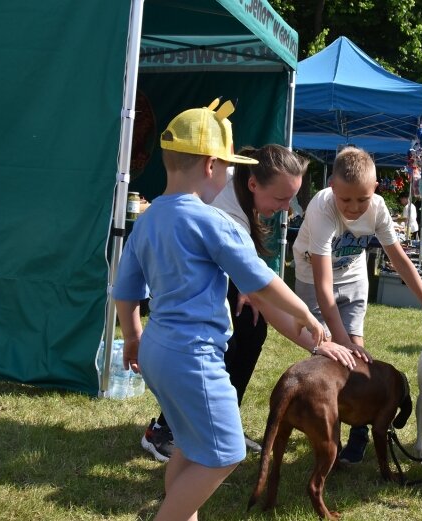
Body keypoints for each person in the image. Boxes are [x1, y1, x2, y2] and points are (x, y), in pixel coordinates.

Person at [112, 99, 347, 520]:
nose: (231, 176)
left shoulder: (146, 219)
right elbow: (263, 281)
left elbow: (126, 289)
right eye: (228, 168)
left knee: (190, 445)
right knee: (225, 453)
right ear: (210, 167)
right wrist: (309, 317)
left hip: (157, 352)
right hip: (194, 356)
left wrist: (132, 336)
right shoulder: (212, 222)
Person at [141, 145, 358, 462]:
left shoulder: (245, 184)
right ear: (254, 184)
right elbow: (264, 293)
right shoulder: (228, 216)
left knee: (251, 326)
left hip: (194, 290)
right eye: (282, 199)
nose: (287, 209)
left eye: (292, 199)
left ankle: (219, 421)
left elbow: (260, 290)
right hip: (183, 304)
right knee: (212, 343)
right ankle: (165, 430)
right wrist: (317, 341)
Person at [292, 146, 422, 463]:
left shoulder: (379, 209)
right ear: (332, 187)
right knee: (330, 358)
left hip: (353, 277)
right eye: (346, 200)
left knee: (356, 354)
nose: (354, 208)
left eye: (362, 199)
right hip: (314, 282)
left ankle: (360, 429)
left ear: (375, 191)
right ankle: (330, 429)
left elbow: (399, 259)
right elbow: (324, 287)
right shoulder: (321, 209)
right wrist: (337, 341)